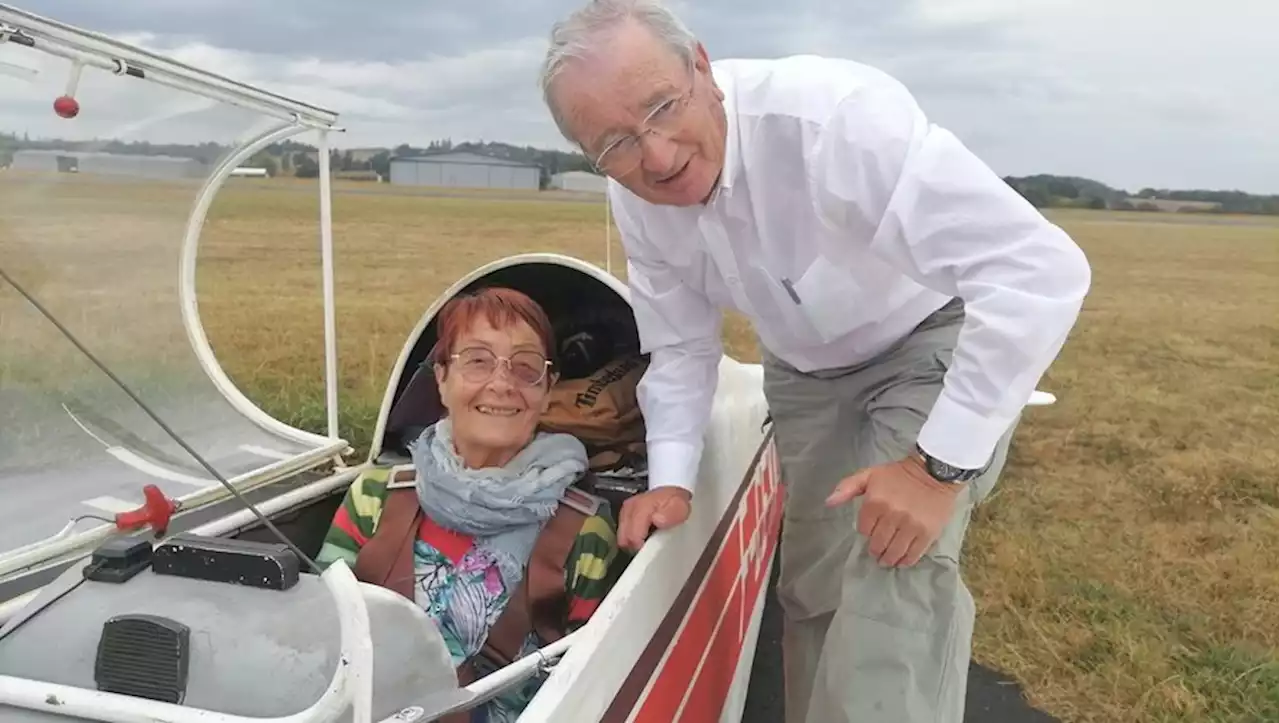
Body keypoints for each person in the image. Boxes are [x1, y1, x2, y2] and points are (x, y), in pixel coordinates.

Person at [537, 2, 1092, 722]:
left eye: (663, 107)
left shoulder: (837, 123)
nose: (659, 157)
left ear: (701, 65)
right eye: (614, 144)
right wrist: (671, 478)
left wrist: (936, 469)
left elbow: (1038, 271)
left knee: (893, 577)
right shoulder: (634, 196)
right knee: (814, 587)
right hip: (803, 370)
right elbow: (677, 341)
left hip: (926, 334)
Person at [316, 286, 622, 723]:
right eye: (478, 360)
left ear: (548, 388)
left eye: (526, 367)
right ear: (441, 378)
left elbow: (589, 684)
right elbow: (323, 635)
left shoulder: (582, 530)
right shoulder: (378, 495)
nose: (501, 384)